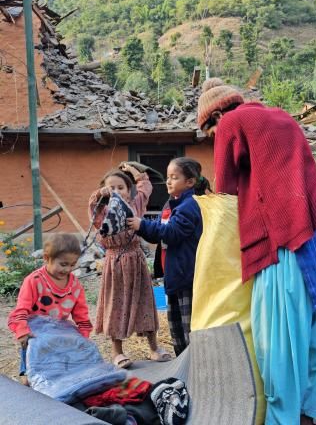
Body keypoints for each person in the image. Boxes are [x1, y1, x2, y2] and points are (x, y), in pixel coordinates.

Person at [197, 78, 316, 425]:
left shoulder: (230, 122)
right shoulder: (281, 116)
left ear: (215, 116)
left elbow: (224, 189)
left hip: (288, 232)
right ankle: (311, 413)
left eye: (207, 132)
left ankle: (283, 418)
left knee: (281, 336)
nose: (212, 138)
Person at [88, 164, 170, 368]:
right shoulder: (103, 211)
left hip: (136, 261)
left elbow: (145, 185)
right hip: (114, 264)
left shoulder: (136, 205)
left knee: (146, 303)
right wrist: (101, 194)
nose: (116, 192)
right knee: (116, 304)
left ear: (128, 190)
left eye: (121, 187)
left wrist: (132, 171)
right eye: (111, 188)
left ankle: (154, 348)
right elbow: (93, 205)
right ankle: (117, 352)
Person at [128, 157, 203, 356]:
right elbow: (161, 232)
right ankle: (183, 364)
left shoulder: (189, 206)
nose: (168, 181)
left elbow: (172, 233)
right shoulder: (174, 205)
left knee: (189, 329)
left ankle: (193, 366)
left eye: (174, 177)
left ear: (190, 182)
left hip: (186, 275)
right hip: (175, 276)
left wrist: (141, 225)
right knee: (176, 328)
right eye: (168, 177)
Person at [8, 233, 92, 384]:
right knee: (31, 356)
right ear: (47, 258)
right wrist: (22, 331)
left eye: (72, 265)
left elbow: (81, 314)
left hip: (58, 329)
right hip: (34, 330)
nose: (67, 269)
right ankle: (28, 376)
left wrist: (83, 336)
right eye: (63, 264)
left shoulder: (75, 285)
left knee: (58, 363)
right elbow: (21, 310)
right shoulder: (33, 281)